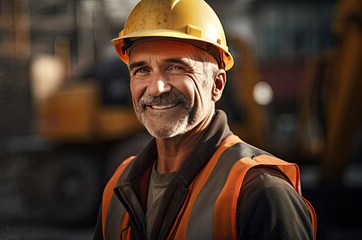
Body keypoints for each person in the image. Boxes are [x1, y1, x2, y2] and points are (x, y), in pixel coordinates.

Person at [94, 0, 317, 239]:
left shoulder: (260, 191)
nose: (156, 87)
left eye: (177, 68)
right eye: (141, 70)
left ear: (217, 85)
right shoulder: (118, 186)